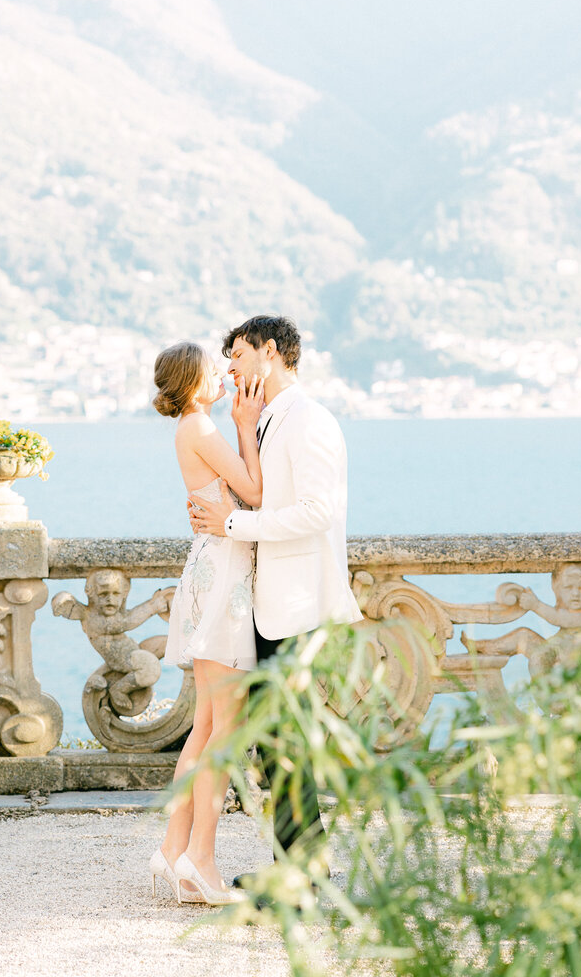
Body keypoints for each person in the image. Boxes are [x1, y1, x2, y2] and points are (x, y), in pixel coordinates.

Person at [188, 315, 363, 888]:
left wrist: (234, 522)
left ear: (270, 351)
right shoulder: (268, 420)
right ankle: (300, 869)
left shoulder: (309, 420)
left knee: (287, 746)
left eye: (237, 354)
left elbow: (320, 512)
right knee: (279, 745)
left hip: (299, 608)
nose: (231, 367)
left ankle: (301, 880)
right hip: (272, 607)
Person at [148, 340, 265, 905]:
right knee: (226, 729)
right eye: (215, 369)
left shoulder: (192, 427)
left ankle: (174, 850)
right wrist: (245, 423)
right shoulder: (200, 427)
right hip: (224, 574)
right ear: (194, 383)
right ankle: (202, 860)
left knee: (207, 725)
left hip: (213, 567)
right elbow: (256, 491)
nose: (224, 374)